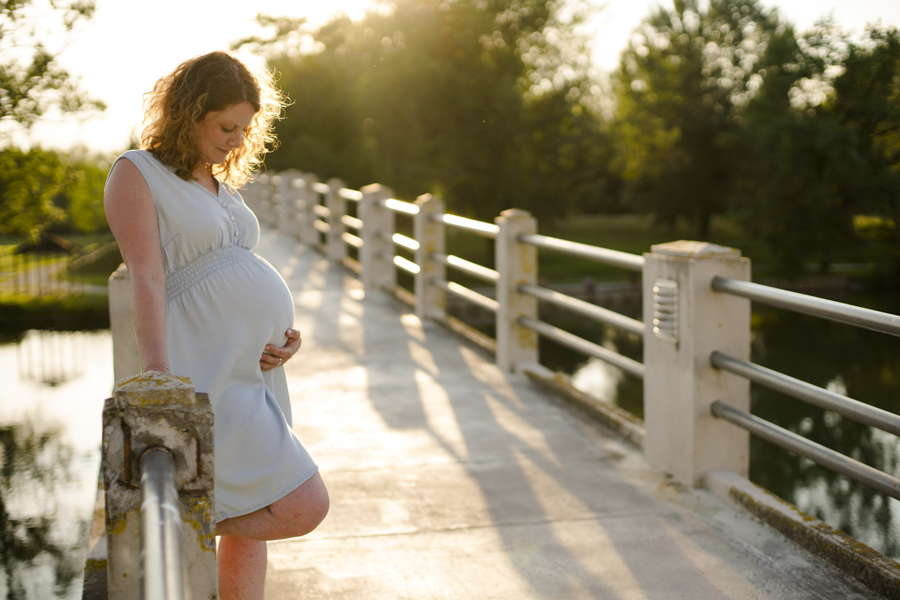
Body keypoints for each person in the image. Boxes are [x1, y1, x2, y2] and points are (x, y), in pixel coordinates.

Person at [104, 50, 329, 599]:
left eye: (245, 128)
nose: (236, 139)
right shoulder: (137, 173)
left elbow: (234, 274)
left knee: (255, 522)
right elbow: (148, 278)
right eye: (226, 126)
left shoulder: (214, 179)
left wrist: (278, 339)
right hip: (201, 367)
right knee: (301, 505)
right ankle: (178, 520)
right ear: (188, 112)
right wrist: (160, 379)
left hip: (250, 369)